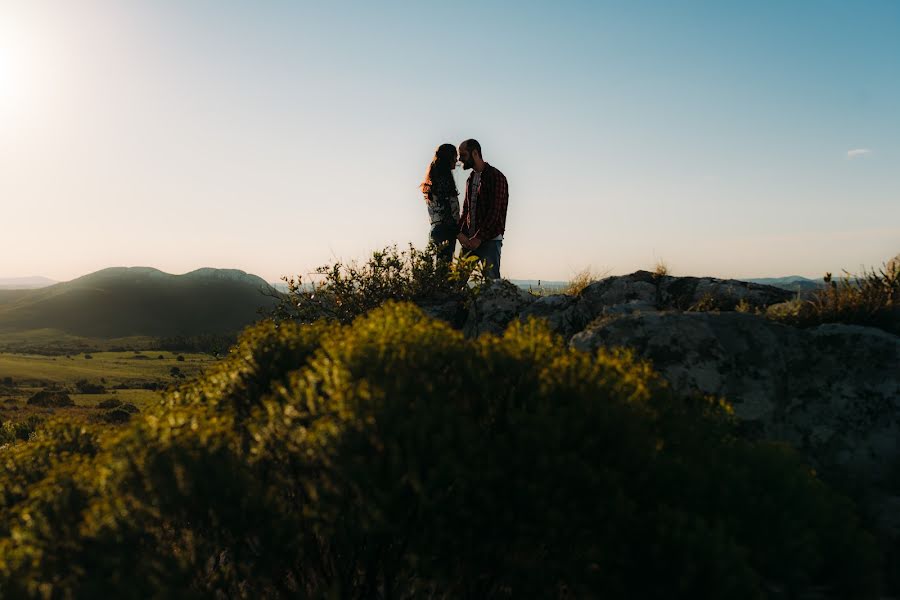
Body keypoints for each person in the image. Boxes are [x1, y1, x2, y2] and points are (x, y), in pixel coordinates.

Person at [456, 139, 508, 279]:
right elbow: (466, 210)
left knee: (492, 285)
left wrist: (478, 238)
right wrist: (460, 233)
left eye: (463, 155)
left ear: (475, 153)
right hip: (469, 240)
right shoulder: (471, 178)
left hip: (489, 240)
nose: (460, 159)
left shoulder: (496, 177)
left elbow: (494, 212)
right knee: (455, 282)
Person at [420, 143, 460, 264]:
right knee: (444, 270)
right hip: (445, 230)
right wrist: (458, 232)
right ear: (449, 157)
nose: (457, 160)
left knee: (439, 269)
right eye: (455, 156)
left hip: (436, 229)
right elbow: (446, 210)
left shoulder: (434, 177)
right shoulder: (444, 179)